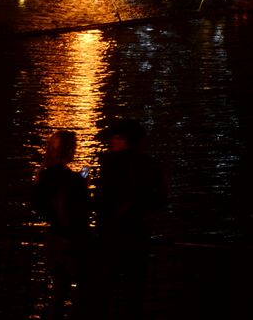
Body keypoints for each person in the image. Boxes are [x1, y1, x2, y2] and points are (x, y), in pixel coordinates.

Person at [93, 119, 167, 320]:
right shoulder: (150, 165)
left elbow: (101, 200)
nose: (111, 141)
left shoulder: (111, 164)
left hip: (112, 237)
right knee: (133, 291)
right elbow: (160, 198)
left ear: (125, 141)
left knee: (104, 290)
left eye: (115, 137)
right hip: (138, 236)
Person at [33, 130, 91, 320]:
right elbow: (75, 207)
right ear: (69, 151)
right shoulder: (70, 179)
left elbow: (40, 205)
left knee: (58, 291)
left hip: (53, 238)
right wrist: (83, 186)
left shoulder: (43, 176)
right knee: (85, 290)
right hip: (70, 239)